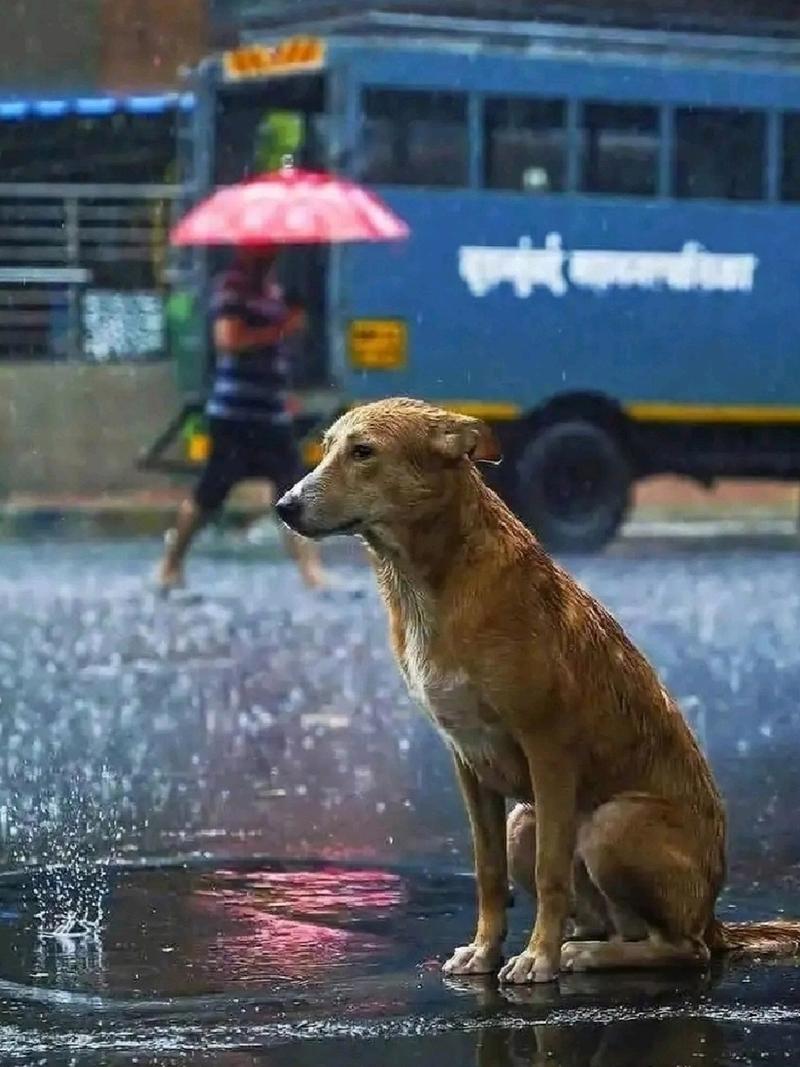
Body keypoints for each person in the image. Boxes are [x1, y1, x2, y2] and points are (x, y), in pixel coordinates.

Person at [156, 244, 327, 593]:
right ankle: (171, 564)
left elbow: (272, 351)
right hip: (235, 414)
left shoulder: (273, 292)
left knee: (293, 490)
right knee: (210, 493)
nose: (271, 256)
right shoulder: (232, 288)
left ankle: (311, 573)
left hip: (271, 413)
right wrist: (281, 330)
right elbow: (228, 340)